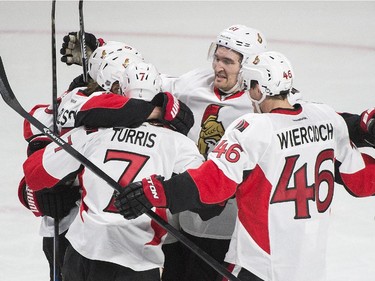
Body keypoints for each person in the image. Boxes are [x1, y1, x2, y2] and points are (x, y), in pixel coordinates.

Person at [59, 24, 375, 281]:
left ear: (251, 69)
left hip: (229, 228)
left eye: (229, 61)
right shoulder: (189, 85)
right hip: (180, 221)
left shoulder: (262, 116)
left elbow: (329, 125)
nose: (218, 67)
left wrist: (363, 129)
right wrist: (99, 52)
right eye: (217, 57)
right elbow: (138, 82)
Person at [19, 41, 194, 281]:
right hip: (75, 231)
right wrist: (160, 109)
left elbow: (36, 155)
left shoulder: (94, 125)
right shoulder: (88, 107)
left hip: (82, 243)